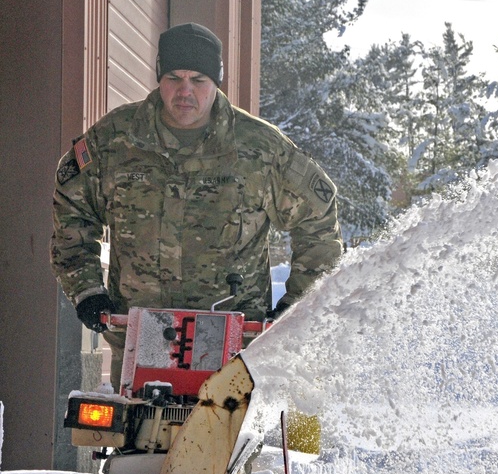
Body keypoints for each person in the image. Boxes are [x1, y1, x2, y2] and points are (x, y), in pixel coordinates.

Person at [51, 22, 343, 387]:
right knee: (134, 443)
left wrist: (296, 307)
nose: (185, 91)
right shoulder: (115, 141)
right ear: (160, 77)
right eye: (174, 77)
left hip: (236, 352)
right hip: (140, 344)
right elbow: (71, 210)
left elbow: (318, 219)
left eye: (199, 79)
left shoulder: (259, 150)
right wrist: (86, 289)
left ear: (216, 82)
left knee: (223, 442)